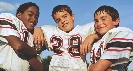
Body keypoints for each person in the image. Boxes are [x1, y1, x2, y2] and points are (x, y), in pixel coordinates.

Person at [33, 5, 100, 71]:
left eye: (65, 16)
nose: (63, 21)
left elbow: (106, 29)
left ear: (72, 16)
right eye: (58, 20)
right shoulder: (52, 31)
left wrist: (93, 36)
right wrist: (38, 29)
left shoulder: (84, 30)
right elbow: (37, 31)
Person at [82, 5, 133, 71]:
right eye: (96, 21)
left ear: (116, 21)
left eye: (103, 19)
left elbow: (96, 69)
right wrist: (93, 36)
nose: (99, 23)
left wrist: (92, 67)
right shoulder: (99, 40)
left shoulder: (122, 33)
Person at [0, 2, 43, 71]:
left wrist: (26, 50)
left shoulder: (35, 36)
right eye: (30, 14)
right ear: (19, 15)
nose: (34, 19)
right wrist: (33, 52)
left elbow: (39, 68)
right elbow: (17, 45)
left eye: (36, 17)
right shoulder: (9, 18)